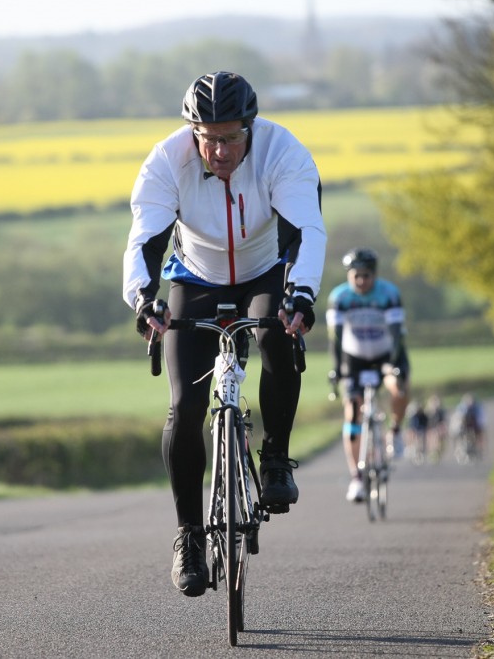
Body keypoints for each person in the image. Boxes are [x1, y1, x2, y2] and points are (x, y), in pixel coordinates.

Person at [123, 71, 327, 597]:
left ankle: (276, 455)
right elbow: (145, 240)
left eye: (232, 138)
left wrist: (300, 295)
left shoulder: (283, 152)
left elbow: (306, 230)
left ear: (251, 129)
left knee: (278, 337)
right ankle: (189, 535)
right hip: (195, 276)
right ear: (192, 131)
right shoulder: (166, 160)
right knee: (184, 408)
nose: (219, 150)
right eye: (208, 138)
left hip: (264, 271)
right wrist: (145, 301)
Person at [325, 247, 410, 502]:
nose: (361, 281)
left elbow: (396, 334)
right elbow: (335, 338)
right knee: (352, 409)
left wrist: (394, 366)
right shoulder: (340, 297)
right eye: (356, 275)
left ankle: (394, 431)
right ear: (349, 275)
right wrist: (336, 369)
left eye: (366, 275)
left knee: (400, 388)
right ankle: (356, 477)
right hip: (354, 359)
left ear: (375, 275)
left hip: (386, 354)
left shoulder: (388, 294)